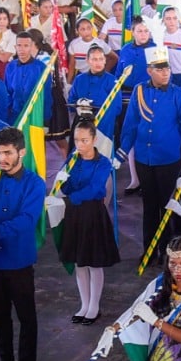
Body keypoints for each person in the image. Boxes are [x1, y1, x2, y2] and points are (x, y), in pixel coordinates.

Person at [119, 45, 181, 262]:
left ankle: (168, 250)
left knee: (169, 207)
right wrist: (121, 153)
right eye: (159, 69)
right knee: (150, 207)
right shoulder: (139, 91)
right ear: (149, 70)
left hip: (169, 160)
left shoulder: (180, 96)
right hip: (145, 159)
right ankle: (149, 250)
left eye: (167, 69)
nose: (165, 73)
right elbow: (131, 125)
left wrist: (170, 144)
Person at [0, 127, 46, 361]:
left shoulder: (34, 183)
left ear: (22, 152)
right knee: (0, 317)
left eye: (7, 153)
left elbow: (27, 221)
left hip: (18, 261)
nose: (2, 158)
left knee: (26, 316)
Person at [53, 118, 118, 324]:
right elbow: (67, 184)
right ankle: (84, 303)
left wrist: (70, 196)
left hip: (92, 215)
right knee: (80, 262)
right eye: (76, 140)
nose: (80, 145)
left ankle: (94, 305)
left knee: (93, 262)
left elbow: (96, 189)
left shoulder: (103, 162)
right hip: (74, 215)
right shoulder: (72, 159)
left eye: (84, 140)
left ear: (94, 139)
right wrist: (62, 184)